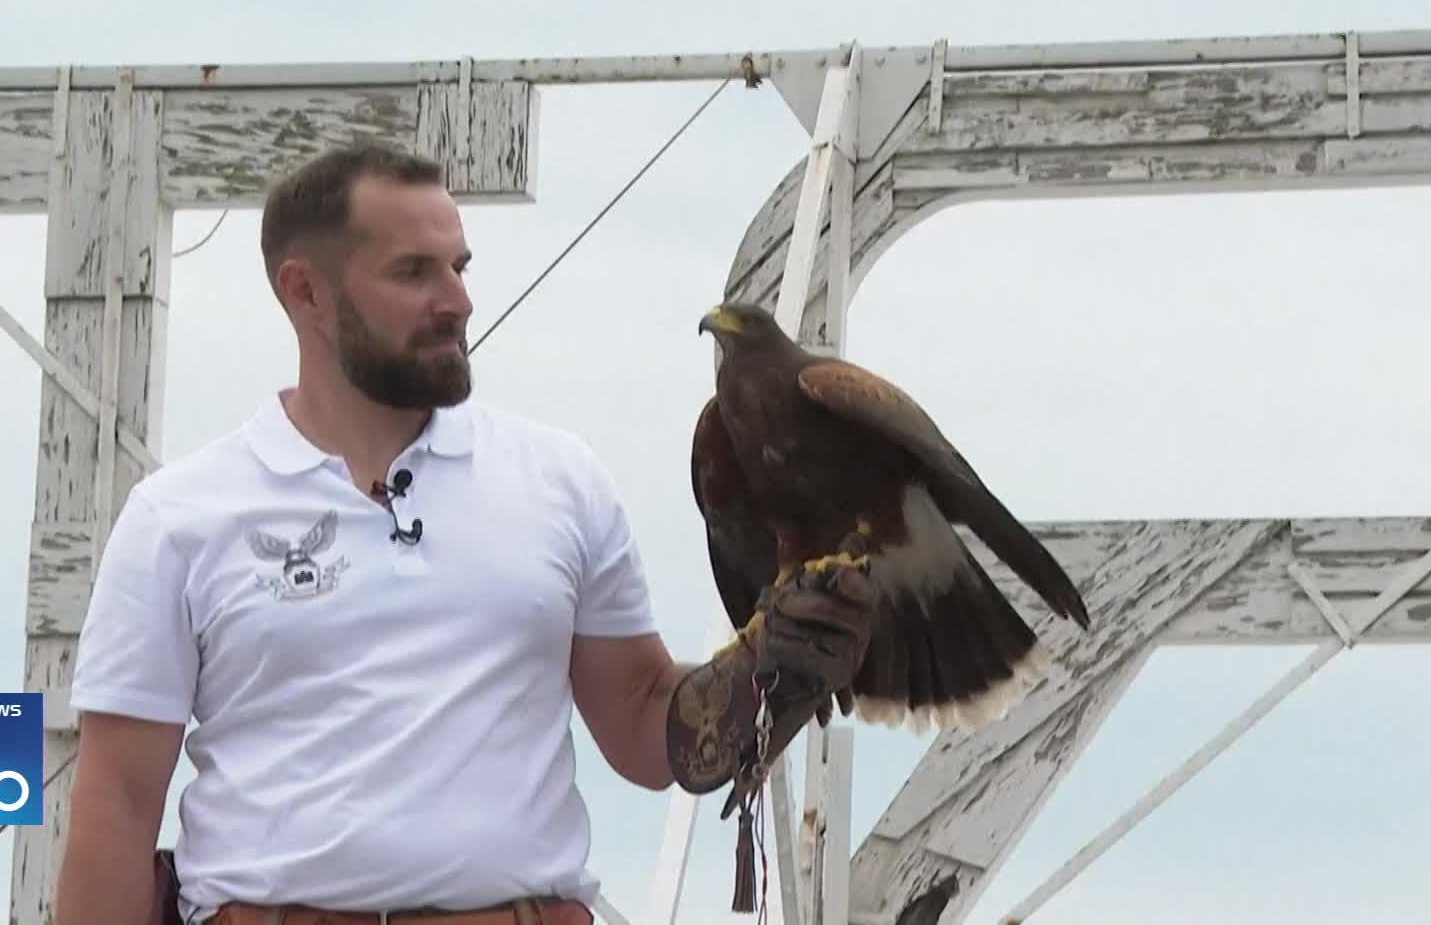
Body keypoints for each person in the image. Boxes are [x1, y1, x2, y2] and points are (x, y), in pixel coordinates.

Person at [53, 143, 878, 925]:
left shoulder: (558, 481)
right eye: (414, 272)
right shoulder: (181, 516)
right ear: (303, 291)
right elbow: (117, 805)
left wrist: (768, 673)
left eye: (459, 266)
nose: (457, 299)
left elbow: (642, 725)